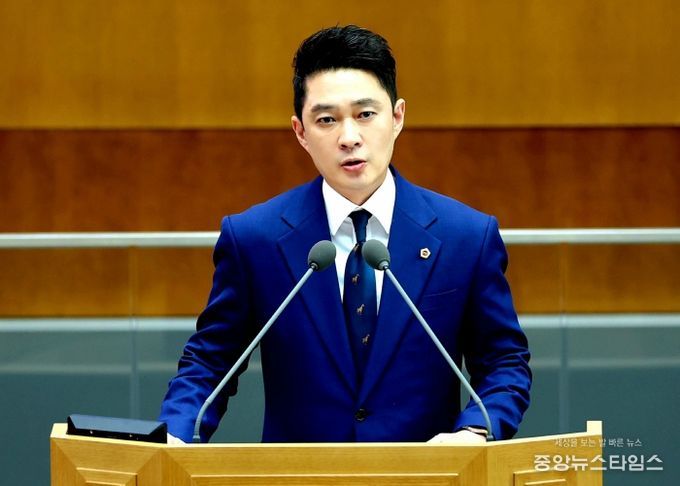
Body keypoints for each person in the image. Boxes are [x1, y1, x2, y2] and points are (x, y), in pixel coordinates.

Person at [159, 24, 531, 444]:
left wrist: (475, 431)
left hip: (426, 471)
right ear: (300, 132)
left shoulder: (466, 237)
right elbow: (210, 363)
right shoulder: (255, 239)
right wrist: (176, 436)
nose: (349, 138)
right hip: (299, 472)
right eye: (327, 120)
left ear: (397, 117)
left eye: (365, 114)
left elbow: (504, 363)